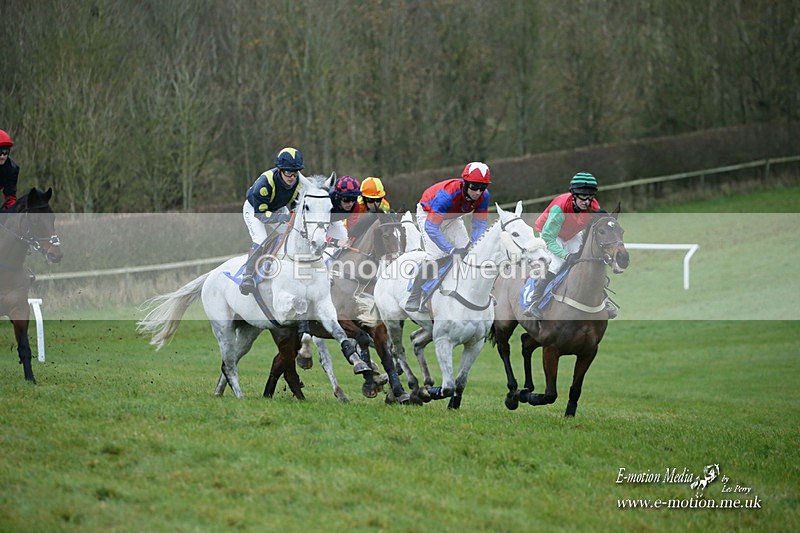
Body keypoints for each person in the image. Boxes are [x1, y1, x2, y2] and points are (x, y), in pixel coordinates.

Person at [405, 162, 491, 312]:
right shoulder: (447, 195)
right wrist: (451, 250)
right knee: (437, 256)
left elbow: (479, 226)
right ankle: (415, 294)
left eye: (482, 188)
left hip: (452, 218)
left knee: (470, 254)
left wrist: (475, 245)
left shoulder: (484, 197)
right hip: (428, 215)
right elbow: (431, 228)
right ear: (465, 183)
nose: (478, 192)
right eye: (474, 186)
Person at [523, 171, 604, 318]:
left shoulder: (593, 205)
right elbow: (549, 239)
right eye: (582, 196)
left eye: (590, 196)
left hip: (571, 233)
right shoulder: (559, 210)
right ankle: (533, 303)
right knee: (557, 263)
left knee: (585, 259)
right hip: (551, 235)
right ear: (573, 194)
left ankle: (602, 299)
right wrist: (566, 256)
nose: (586, 201)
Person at [240, 147, 305, 295]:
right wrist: (284, 218)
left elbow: (296, 204)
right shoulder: (263, 185)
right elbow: (262, 215)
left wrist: (293, 215)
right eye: (288, 172)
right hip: (255, 209)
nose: (292, 177)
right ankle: (248, 276)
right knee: (261, 239)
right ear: (279, 170)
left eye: (295, 173)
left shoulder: (299, 182)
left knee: (294, 235)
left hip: (277, 208)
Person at [327, 175, 361, 248]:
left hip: (334, 221)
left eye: (354, 198)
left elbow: (353, 229)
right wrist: (333, 241)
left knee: (345, 240)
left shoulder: (355, 206)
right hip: (315, 222)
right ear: (338, 197)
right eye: (346, 199)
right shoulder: (327, 202)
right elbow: (317, 227)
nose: (350, 203)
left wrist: (351, 240)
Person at [0, 130, 19, 213]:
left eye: (6, 152)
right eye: (0, 152)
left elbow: (10, 197)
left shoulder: (12, 169)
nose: (2, 156)